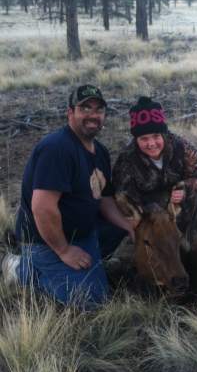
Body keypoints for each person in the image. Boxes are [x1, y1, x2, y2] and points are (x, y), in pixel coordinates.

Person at [8, 84, 134, 307]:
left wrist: (129, 226)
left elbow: (104, 198)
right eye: (85, 108)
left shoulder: (100, 151)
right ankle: (20, 270)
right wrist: (64, 250)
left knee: (118, 227)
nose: (93, 115)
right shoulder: (57, 149)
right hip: (47, 241)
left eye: (99, 109)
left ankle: (82, 267)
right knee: (91, 301)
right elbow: (42, 208)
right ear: (70, 113)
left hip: (83, 233)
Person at [112, 96, 197, 249]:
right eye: (144, 138)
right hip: (147, 210)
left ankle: (190, 244)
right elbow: (122, 195)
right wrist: (150, 209)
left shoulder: (181, 146)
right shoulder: (127, 159)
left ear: (164, 134)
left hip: (177, 203)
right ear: (136, 139)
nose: (151, 144)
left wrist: (184, 188)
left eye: (156, 136)